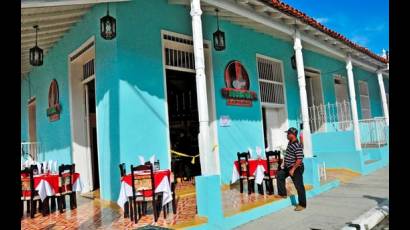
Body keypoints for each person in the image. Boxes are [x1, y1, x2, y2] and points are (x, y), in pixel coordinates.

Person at [276, 127, 307, 211]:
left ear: (292, 135)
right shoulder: (291, 142)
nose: (287, 135)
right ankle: (283, 194)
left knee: (299, 186)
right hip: (288, 167)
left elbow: (300, 159)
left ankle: (302, 204)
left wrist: (293, 169)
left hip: (296, 168)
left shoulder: (296, 145)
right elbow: (301, 146)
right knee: (280, 175)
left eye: (288, 134)